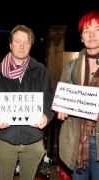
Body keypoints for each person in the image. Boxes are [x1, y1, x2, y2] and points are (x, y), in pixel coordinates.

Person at [0, 24, 55, 180]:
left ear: (31, 45)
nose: (22, 46)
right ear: (10, 45)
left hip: (33, 140)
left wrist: (46, 116)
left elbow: (50, 99)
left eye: (27, 42)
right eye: (18, 41)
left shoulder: (41, 70)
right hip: (6, 139)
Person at [57, 11, 99, 180]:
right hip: (76, 140)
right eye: (86, 30)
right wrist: (61, 108)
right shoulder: (71, 66)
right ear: (81, 37)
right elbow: (62, 97)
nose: (91, 35)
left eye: (97, 29)